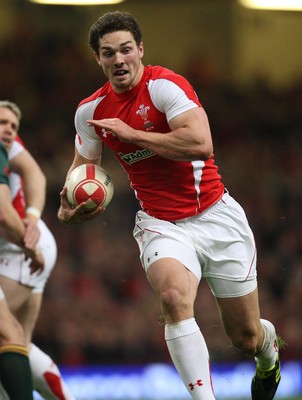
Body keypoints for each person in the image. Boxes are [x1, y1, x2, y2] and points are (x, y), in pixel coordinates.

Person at [58, 11, 282, 400]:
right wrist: (70, 206)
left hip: (216, 216)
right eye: (108, 53)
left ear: (141, 49)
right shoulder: (89, 112)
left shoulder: (165, 87)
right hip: (161, 222)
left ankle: (268, 352)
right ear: (98, 59)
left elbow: (201, 144)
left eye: (126, 50)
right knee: (174, 298)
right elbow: (82, 173)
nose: (119, 60)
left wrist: (134, 135)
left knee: (245, 336)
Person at [0, 100, 75, 400]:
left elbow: (34, 177)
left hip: (18, 247)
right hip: (19, 244)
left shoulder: (4, 146)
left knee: (9, 336)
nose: (9, 131)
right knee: (15, 342)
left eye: (13, 126)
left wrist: (30, 220)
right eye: (4, 124)